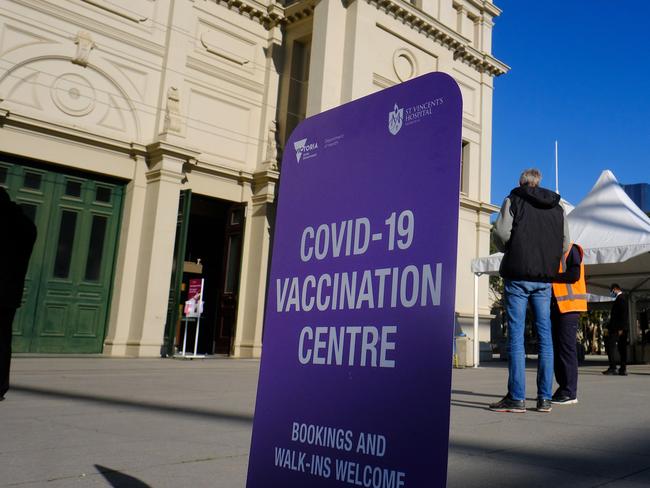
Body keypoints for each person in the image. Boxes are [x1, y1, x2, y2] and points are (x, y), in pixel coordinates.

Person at [489, 168, 569, 413]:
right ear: (539, 182)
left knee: (516, 337)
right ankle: (544, 399)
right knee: (546, 338)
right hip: (544, 278)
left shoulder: (513, 199)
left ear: (522, 183)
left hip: (518, 274)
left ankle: (517, 398)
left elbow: (501, 233)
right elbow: (566, 243)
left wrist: (507, 247)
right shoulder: (558, 208)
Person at [0, 187, 37, 401]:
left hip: (5, 289)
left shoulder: (6, 225)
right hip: (10, 293)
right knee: (4, 340)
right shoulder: (26, 226)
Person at [551, 242, 587, 405]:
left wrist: (549, 276)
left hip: (569, 306)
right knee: (559, 350)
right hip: (558, 306)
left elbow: (574, 275)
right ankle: (563, 389)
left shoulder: (571, 249)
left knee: (566, 349)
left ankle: (570, 392)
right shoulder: (554, 250)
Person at [602, 283, 628, 376]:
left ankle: (613, 367)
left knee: (610, 347)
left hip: (618, 329)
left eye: (611, 291)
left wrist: (621, 328)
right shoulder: (621, 299)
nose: (611, 293)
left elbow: (623, 315)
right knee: (621, 348)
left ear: (616, 289)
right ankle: (622, 369)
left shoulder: (621, 299)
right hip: (619, 328)